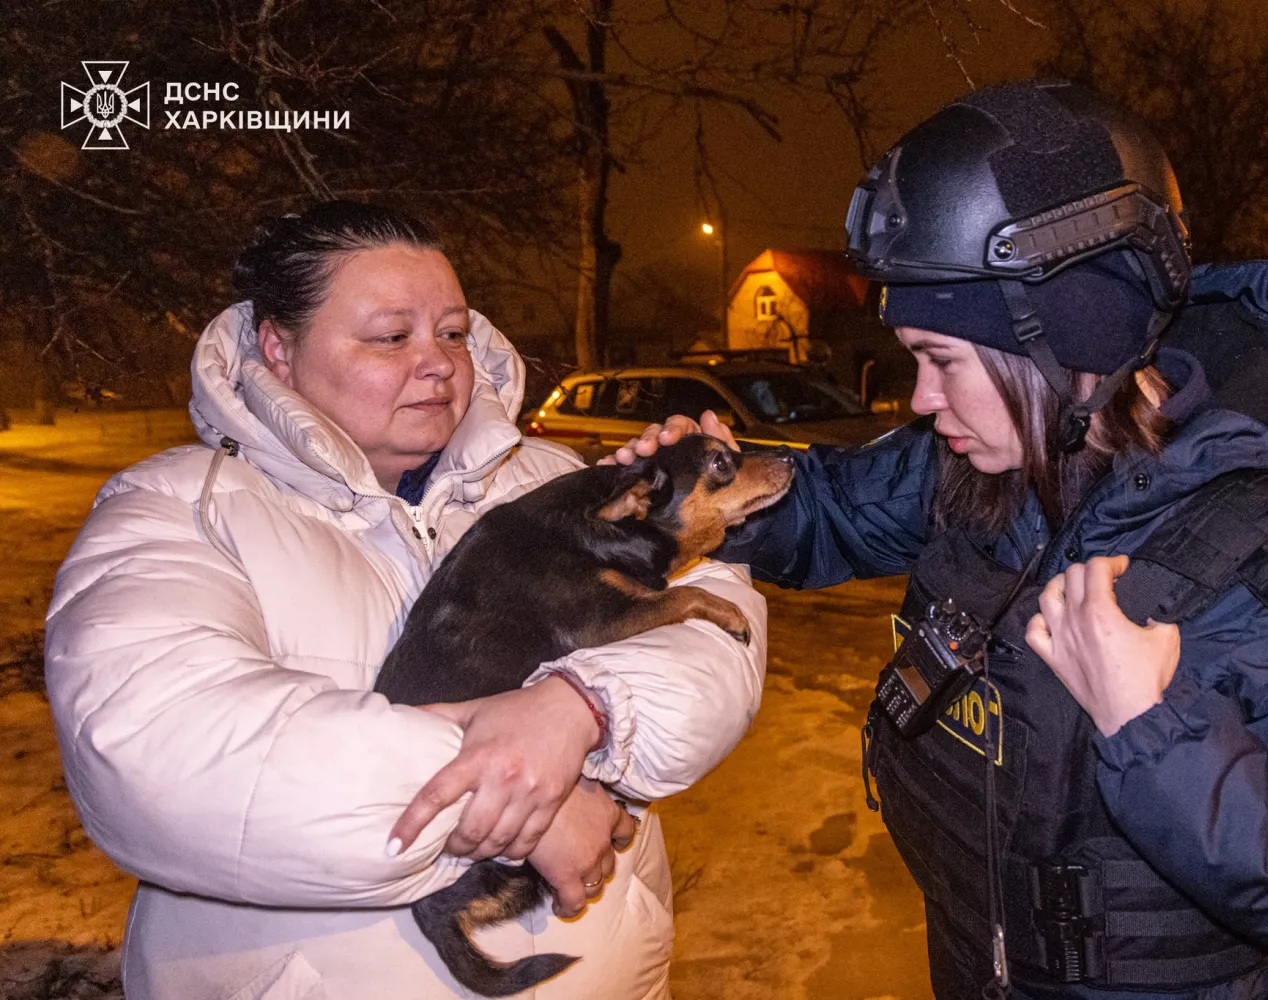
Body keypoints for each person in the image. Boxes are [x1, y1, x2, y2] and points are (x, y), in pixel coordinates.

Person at [611, 80, 1268, 999]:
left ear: (1073, 338)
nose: (922, 401)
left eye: (943, 362)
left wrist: (1150, 724)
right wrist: (697, 488)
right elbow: (825, 509)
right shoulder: (984, 467)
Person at [44, 201, 767, 999]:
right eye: (392, 337)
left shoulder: (553, 483)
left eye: (453, 333)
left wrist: (582, 709)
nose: (440, 364)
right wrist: (528, 795)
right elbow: (162, 757)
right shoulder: (178, 508)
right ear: (278, 351)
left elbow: (720, 631)